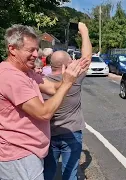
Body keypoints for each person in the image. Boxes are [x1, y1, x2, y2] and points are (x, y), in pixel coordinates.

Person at [0, 24, 89, 180]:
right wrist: (68, 82)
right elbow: (44, 113)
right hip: (19, 155)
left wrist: (69, 76)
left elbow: (54, 88)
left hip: (31, 152)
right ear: (12, 49)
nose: (36, 54)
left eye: (37, 49)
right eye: (30, 50)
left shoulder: (26, 72)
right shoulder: (11, 77)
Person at [42, 22, 92, 180]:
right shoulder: (74, 79)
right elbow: (87, 58)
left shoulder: (41, 82)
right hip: (72, 133)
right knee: (70, 173)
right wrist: (84, 32)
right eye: (71, 61)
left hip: (49, 134)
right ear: (66, 65)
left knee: (47, 172)